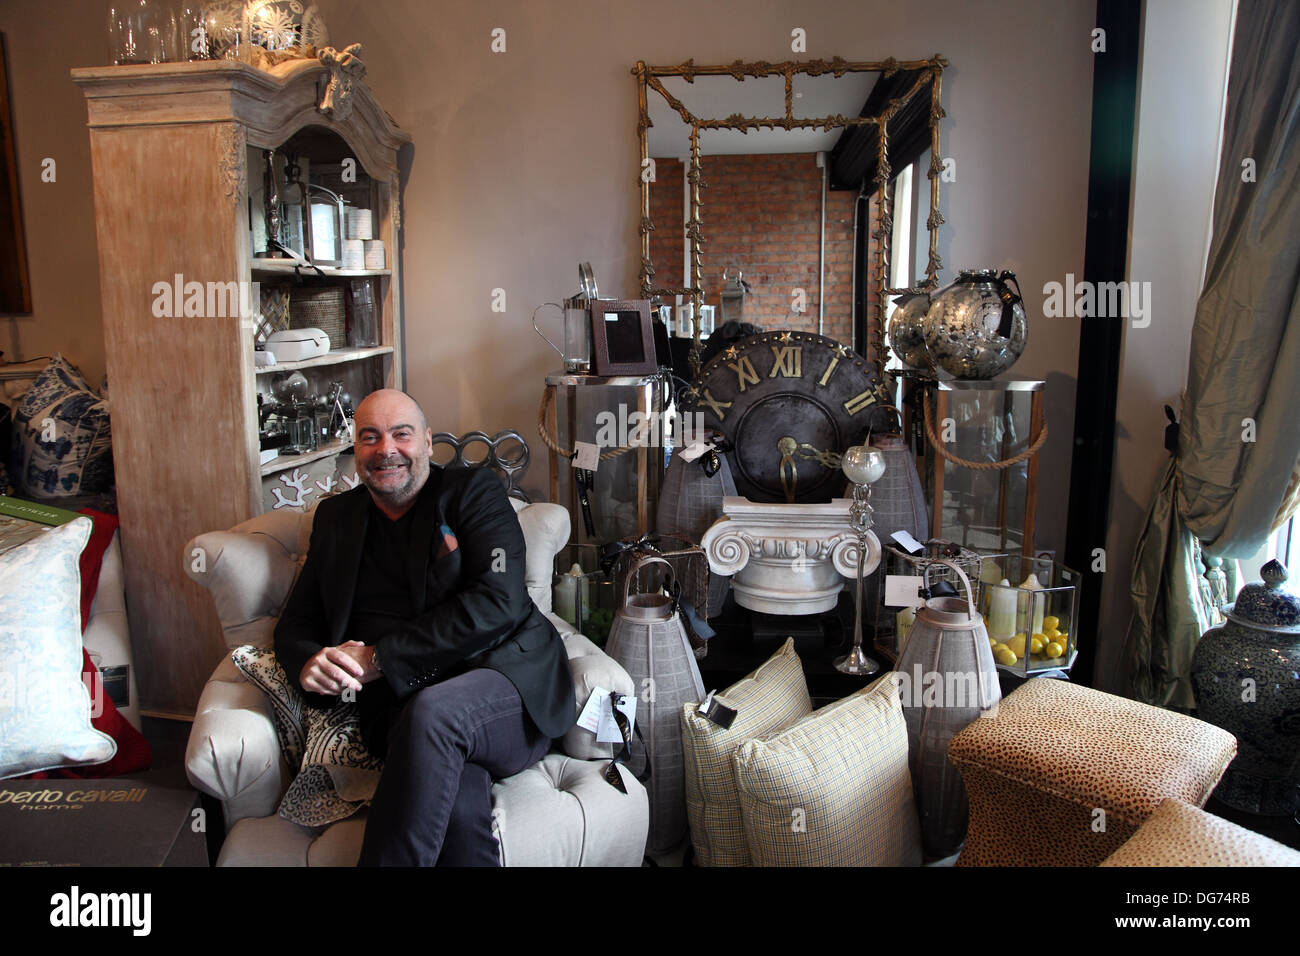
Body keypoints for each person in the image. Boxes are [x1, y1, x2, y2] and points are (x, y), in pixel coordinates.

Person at [273, 388, 575, 866]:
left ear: (428, 443)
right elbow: (295, 624)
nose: (385, 449)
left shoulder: (474, 493)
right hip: (399, 709)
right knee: (456, 808)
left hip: (506, 688)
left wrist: (378, 658)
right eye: (369, 437)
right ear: (356, 451)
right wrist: (310, 661)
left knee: (434, 714)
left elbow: (499, 602)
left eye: (401, 434)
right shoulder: (336, 519)